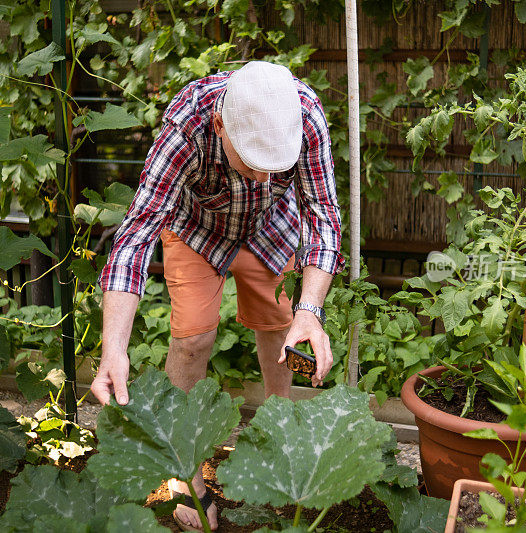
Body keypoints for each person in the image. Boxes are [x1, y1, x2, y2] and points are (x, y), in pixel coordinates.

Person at [90, 60, 344, 532]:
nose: (265, 178)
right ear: (221, 124)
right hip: (196, 228)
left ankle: (280, 444)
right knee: (192, 340)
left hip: (271, 225)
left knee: (278, 325)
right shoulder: (187, 124)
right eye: (253, 162)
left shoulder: (304, 115)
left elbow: (323, 215)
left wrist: (310, 309)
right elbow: (135, 237)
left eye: (276, 167)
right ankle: (185, 472)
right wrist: (113, 348)